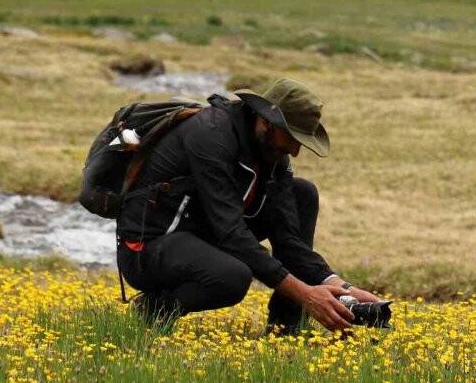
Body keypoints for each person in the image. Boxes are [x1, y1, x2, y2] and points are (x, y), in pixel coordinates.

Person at [115, 77, 380, 333]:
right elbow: (229, 232)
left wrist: (341, 287)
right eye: (292, 138)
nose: (295, 151)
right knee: (232, 276)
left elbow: (289, 241)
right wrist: (306, 295)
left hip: (202, 234)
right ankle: (153, 308)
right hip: (148, 247)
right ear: (266, 121)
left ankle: (285, 329)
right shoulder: (211, 134)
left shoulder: (273, 151)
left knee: (303, 194)